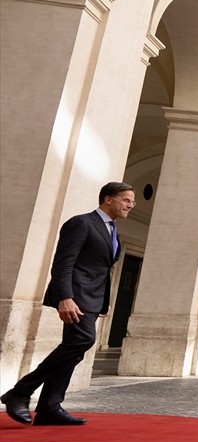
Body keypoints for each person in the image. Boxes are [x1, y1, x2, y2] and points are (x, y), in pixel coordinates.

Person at [2, 182, 135, 426]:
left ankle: (49, 407)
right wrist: (65, 297)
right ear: (108, 199)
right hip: (75, 296)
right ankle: (20, 392)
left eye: (133, 202)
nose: (130, 206)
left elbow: (101, 269)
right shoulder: (82, 223)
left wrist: (102, 302)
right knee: (82, 340)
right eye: (127, 200)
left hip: (92, 299)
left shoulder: (112, 229)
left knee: (74, 350)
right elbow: (63, 263)